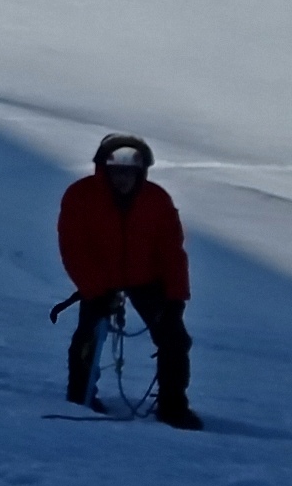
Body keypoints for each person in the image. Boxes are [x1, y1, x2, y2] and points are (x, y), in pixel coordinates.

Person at [60, 133, 200, 428]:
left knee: (174, 339)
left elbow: (172, 252)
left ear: (141, 172)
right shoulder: (80, 196)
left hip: (146, 279)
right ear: (103, 170)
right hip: (100, 281)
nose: (122, 179)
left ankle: (173, 406)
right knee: (88, 336)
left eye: (129, 172)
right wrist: (94, 289)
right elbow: (73, 247)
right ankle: (80, 396)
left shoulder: (156, 200)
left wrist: (176, 298)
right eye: (116, 172)